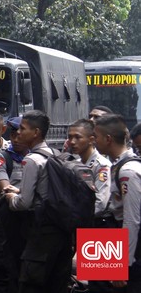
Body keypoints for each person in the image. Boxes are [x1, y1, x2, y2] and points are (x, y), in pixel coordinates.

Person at [3, 110, 73, 292]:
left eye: (23, 129)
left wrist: (11, 198)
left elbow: (23, 203)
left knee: (31, 284)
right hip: (60, 229)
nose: (18, 133)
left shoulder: (32, 160)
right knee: (56, 284)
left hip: (42, 231)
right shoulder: (54, 155)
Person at [93, 114, 141, 290]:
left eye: (95, 136)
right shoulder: (116, 166)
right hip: (112, 237)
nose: (93, 141)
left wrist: (123, 265)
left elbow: (132, 220)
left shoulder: (128, 170)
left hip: (127, 243)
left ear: (108, 139)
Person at [0, 116, 28, 293]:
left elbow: (124, 217)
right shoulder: (4, 157)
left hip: (104, 227)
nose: (16, 138)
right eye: (14, 134)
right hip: (9, 225)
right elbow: (5, 190)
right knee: (6, 275)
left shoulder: (46, 159)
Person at [67, 119, 113, 224]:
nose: (72, 142)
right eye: (70, 137)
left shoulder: (101, 165)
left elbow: (100, 203)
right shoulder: (75, 164)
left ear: (91, 140)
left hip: (100, 224)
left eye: (78, 137)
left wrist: (76, 218)